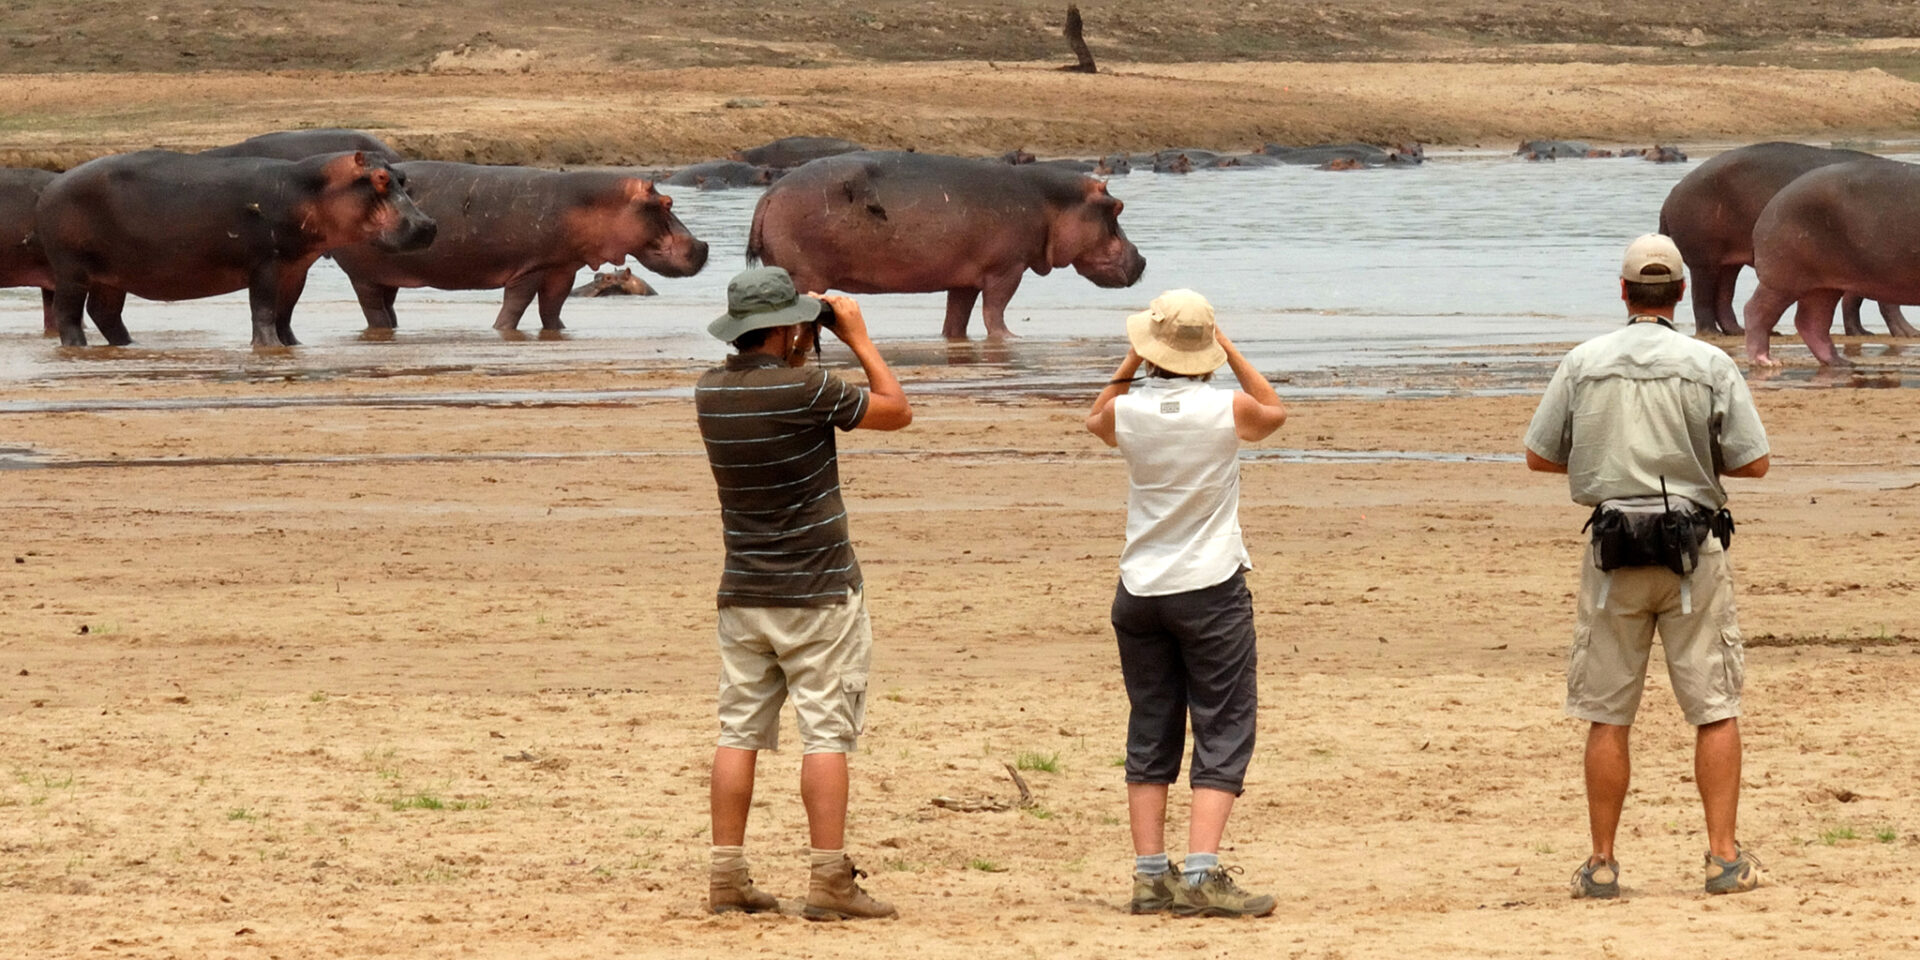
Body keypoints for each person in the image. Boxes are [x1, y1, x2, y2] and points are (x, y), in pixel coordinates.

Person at [1523, 234, 1771, 899]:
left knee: (1609, 711)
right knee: (1714, 706)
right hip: (1694, 549)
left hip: (1613, 552)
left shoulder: (1583, 362)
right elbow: (1754, 462)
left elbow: (1539, 455)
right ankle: (1723, 858)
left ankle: (1602, 863)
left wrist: (1602, 458)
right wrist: (1692, 458)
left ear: (1624, 291)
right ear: (1683, 294)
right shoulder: (1710, 364)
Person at [695, 266, 912, 920]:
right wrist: (860, 340)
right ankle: (828, 881)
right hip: (818, 590)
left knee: (739, 731)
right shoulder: (807, 388)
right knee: (826, 732)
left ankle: (727, 875)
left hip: (744, 589)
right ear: (787, 329)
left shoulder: (710, 391)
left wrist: (804, 330)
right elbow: (896, 410)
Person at [1084, 289, 1288, 918]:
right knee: (1223, 725)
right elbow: (1274, 411)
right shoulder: (1225, 408)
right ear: (1207, 351)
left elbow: (1096, 416)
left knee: (1151, 726)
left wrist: (1130, 361)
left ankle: (1150, 873)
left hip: (1140, 587)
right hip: (1209, 586)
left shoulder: (1129, 413)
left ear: (1150, 348)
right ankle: (1200, 872)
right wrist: (1227, 346)